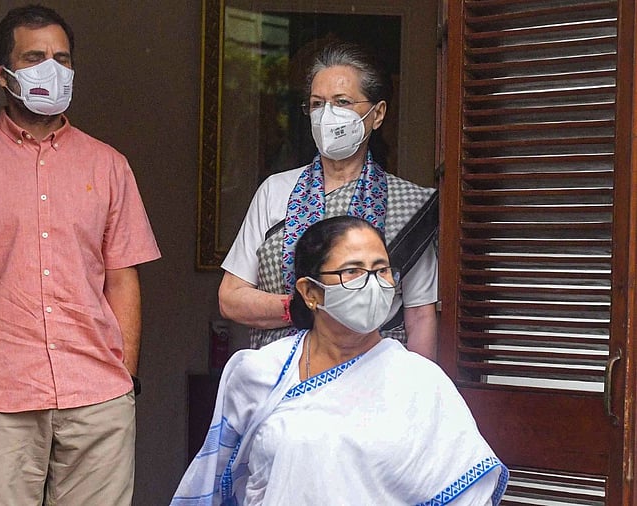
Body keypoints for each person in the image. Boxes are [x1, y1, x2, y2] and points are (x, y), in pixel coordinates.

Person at [0, 4, 160, 505]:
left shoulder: (110, 166)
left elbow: (123, 279)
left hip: (97, 398)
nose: (52, 68)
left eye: (62, 58)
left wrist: (126, 382)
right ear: (3, 76)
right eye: (35, 57)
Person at [172, 216, 507, 505]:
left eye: (381, 270)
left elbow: (466, 493)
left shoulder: (422, 383)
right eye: (353, 272)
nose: (373, 284)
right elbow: (216, 482)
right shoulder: (260, 373)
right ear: (311, 292)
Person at [218, 41, 439, 358]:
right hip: (283, 376)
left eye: (343, 102)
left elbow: (420, 317)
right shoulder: (274, 191)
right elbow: (231, 297)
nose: (328, 115)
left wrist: (418, 398)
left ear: (377, 114)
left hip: (373, 383)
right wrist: (301, 307)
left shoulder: (411, 207)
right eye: (317, 104)